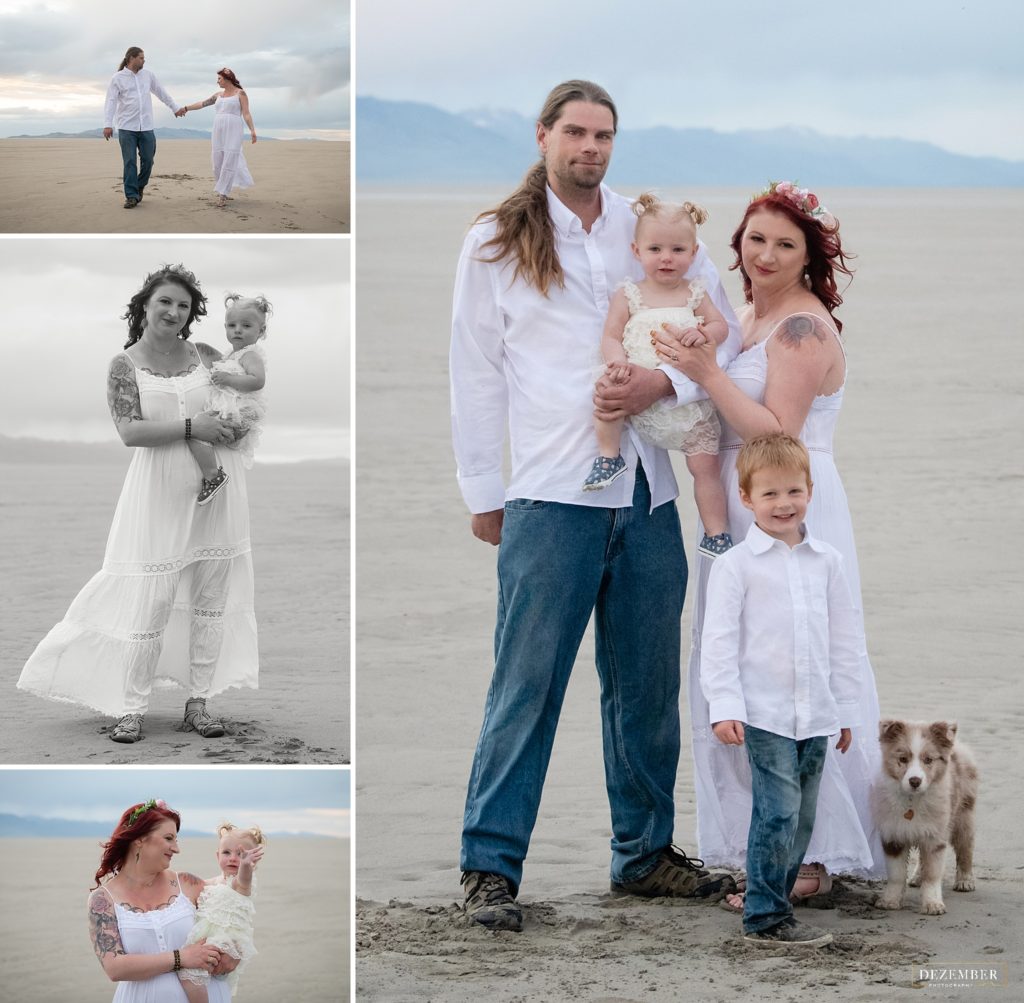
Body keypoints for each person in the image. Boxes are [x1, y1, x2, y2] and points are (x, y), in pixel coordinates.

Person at [450, 79, 741, 933]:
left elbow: (714, 319)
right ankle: (490, 867)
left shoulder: (646, 225)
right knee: (526, 685)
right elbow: (475, 369)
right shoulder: (496, 239)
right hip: (548, 489)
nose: (591, 147)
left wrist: (664, 377)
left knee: (647, 687)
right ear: (542, 135)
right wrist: (482, 491)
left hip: (648, 490)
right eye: (575, 132)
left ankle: (643, 854)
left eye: (604, 134)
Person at [654, 180, 885, 905]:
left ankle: (814, 853)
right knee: (735, 664)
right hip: (734, 506)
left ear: (810, 255)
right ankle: (764, 841)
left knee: (795, 666)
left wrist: (706, 373)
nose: (766, 254)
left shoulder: (802, 330)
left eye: (786, 244)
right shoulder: (747, 314)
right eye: (756, 239)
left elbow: (776, 429)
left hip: (789, 505)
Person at [17, 265, 259, 744]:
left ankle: (199, 705)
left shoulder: (205, 355)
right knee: (150, 602)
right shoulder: (123, 365)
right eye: (165, 302)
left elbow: (242, 402)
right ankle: (131, 708)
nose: (173, 311)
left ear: (192, 315)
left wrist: (237, 426)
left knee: (211, 601)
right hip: (155, 493)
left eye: (183, 306)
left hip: (217, 491)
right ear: (145, 306)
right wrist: (194, 428)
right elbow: (129, 432)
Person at [700, 433, 861, 947]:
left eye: (793, 491)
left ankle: (774, 895)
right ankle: (766, 917)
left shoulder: (826, 562)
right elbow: (718, 643)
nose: (783, 504)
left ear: (810, 491)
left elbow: (845, 641)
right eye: (769, 494)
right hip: (762, 714)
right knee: (777, 810)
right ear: (745, 499)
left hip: (816, 715)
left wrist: (846, 710)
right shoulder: (735, 567)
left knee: (802, 815)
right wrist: (724, 708)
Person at [584, 192, 736, 559]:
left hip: (687, 412)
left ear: (694, 252)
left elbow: (722, 326)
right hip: (637, 399)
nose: (666, 258)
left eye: (678, 250)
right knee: (606, 396)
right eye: (656, 249)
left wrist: (705, 333)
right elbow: (610, 334)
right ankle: (609, 456)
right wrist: (616, 361)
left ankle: (716, 533)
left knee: (705, 468)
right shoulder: (630, 294)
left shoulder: (695, 293)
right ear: (637, 252)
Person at [87, 799, 237, 1002]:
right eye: (169, 838)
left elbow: (231, 916)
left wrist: (234, 953)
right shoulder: (103, 900)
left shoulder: (186, 884)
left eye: (176, 840)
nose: (176, 849)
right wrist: (180, 958)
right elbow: (114, 968)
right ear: (139, 839)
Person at [188, 293, 271, 505]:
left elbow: (257, 380)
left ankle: (213, 476)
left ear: (261, 331)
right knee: (198, 430)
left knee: (196, 433)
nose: (238, 330)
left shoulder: (250, 355)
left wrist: (228, 378)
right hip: (235, 410)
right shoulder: (232, 354)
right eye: (232, 325)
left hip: (242, 412)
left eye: (246, 326)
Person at [179, 823, 265, 1002]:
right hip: (208, 936)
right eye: (227, 853)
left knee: (189, 972)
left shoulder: (242, 882)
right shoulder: (209, 883)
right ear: (217, 855)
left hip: (225, 938)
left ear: (252, 861)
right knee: (192, 973)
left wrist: (246, 866)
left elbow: (242, 880)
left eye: (241, 855)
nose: (233, 858)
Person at [102, 47, 186, 209]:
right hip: (127, 127)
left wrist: (175, 108)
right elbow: (111, 101)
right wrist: (107, 124)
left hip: (146, 126)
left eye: (144, 58)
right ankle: (132, 196)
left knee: (148, 160)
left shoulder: (148, 75)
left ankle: (140, 185)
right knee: (130, 162)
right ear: (131, 58)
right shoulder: (117, 78)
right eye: (141, 58)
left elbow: (162, 93)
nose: (144, 60)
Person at [180, 70, 256, 208]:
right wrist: (186, 108)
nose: (217, 81)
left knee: (230, 159)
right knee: (217, 161)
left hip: (234, 130)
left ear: (227, 79)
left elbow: (246, 113)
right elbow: (202, 103)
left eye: (219, 78)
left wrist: (252, 130)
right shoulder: (218, 95)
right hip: (218, 130)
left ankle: (223, 194)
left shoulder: (240, 93)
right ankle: (223, 188)